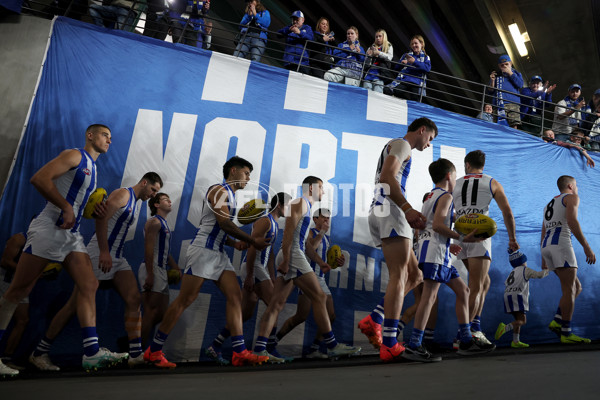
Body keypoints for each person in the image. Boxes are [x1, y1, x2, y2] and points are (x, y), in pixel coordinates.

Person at [0, 124, 128, 376]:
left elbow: (77, 205)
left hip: (71, 234)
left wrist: (93, 212)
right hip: (49, 228)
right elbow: (39, 179)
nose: (109, 141)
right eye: (105, 135)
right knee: (17, 291)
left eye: (111, 138)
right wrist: (65, 206)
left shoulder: (94, 167)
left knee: (89, 284)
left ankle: (91, 352)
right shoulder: (75, 155)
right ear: (90, 135)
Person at [143, 156, 271, 368]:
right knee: (185, 299)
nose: (249, 178)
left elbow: (218, 228)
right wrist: (251, 240)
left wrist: (234, 243)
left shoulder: (229, 195)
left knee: (235, 297)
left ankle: (239, 352)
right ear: (233, 171)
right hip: (203, 251)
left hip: (218, 252)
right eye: (246, 173)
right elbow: (223, 222)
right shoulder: (218, 191)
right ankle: (154, 351)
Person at [252, 177, 360, 361]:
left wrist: (319, 261)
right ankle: (332, 345)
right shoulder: (300, 202)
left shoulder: (306, 207)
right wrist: (286, 259)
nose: (323, 192)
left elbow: (305, 243)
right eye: (321, 187)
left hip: (294, 252)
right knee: (319, 296)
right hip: (293, 254)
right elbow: (288, 233)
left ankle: (260, 349)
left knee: (276, 303)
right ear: (311, 188)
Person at [362, 117, 437, 362]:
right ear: (422, 130)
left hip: (384, 209)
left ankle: (376, 317)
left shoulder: (397, 146)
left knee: (415, 276)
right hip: (390, 209)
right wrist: (406, 208)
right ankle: (391, 342)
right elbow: (386, 177)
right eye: (430, 138)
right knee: (400, 275)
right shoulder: (403, 144)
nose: (428, 145)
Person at [404, 159, 491, 362]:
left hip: (436, 252)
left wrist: (447, 242)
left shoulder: (430, 197)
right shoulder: (445, 196)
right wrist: (461, 237)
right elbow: (436, 226)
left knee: (464, 291)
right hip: (435, 254)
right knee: (429, 297)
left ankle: (466, 340)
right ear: (449, 176)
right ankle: (415, 344)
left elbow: (422, 228)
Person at [205, 192, 289, 365]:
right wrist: (250, 275)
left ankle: (215, 345)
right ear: (279, 205)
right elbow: (252, 248)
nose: (290, 209)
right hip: (254, 268)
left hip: (259, 269)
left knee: (245, 313)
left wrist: (272, 276)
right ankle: (265, 348)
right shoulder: (265, 221)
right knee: (275, 305)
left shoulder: (274, 224)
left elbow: (270, 253)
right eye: (288, 204)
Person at [452, 150, 519, 346]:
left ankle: (475, 328)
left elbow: (448, 211)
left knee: (484, 282)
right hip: (479, 236)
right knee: (476, 286)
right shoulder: (492, 182)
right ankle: (462, 336)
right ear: (483, 164)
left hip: (460, 235)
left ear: (467, 164)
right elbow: (507, 212)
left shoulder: (455, 183)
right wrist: (512, 238)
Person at [270, 208, 345, 359]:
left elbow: (324, 258)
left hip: (320, 278)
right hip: (307, 275)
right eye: (323, 218)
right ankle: (273, 342)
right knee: (298, 314)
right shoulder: (310, 232)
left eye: (328, 219)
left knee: (327, 315)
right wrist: (322, 232)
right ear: (315, 219)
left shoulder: (325, 238)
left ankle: (314, 348)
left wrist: (337, 262)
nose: (326, 221)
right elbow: (308, 248)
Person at [541, 175, 595, 343]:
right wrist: (586, 246)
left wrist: (544, 257)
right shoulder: (572, 197)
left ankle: (558, 320)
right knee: (569, 290)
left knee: (576, 287)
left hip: (547, 246)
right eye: (576, 185)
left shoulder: (548, 204)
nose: (577, 189)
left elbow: (543, 230)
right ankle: (566, 333)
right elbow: (572, 221)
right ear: (571, 186)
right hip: (561, 245)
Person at [138, 193, 180, 348]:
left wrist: (174, 266)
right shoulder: (154, 222)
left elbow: (164, 250)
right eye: (165, 199)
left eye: (169, 198)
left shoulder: (163, 223)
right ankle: (139, 351)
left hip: (160, 270)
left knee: (161, 313)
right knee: (150, 312)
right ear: (156, 205)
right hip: (152, 269)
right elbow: (148, 250)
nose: (170, 201)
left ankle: (136, 342)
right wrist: (150, 273)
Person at [495, 249, 548, 348]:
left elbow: (506, 283)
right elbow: (539, 275)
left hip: (507, 295)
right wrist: (547, 270)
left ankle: (515, 341)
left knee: (517, 320)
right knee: (523, 320)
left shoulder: (512, 272)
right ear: (523, 261)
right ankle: (505, 328)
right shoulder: (525, 269)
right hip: (518, 296)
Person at [0, 233, 29, 371]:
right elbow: (5, 261)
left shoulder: (45, 244)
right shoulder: (19, 239)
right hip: (5, 281)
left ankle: (6, 359)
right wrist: (31, 271)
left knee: (23, 320)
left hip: (22, 283)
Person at [384, 35, 431, 102]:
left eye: (416, 43)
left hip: (417, 83)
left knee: (415, 100)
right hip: (405, 80)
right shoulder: (406, 55)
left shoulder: (426, 57)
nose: (414, 45)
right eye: (412, 44)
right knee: (395, 91)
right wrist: (402, 63)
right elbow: (396, 68)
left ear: (421, 44)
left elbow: (427, 68)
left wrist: (414, 62)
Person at [487, 54, 524, 129]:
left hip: (512, 103)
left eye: (506, 64)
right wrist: (492, 81)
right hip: (498, 104)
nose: (504, 66)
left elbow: (520, 84)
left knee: (513, 124)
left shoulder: (516, 73)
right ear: (499, 66)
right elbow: (490, 91)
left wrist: (510, 73)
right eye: (502, 65)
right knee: (498, 125)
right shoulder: (496, 75)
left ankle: (513, 139)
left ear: (511, 63)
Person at [278, 11, 314, 75]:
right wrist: (288, 30)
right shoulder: (289, 27)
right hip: (289, 62)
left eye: (297, 19)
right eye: (294, 19)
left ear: (303, 20)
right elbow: (278, 34)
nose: (295, 21)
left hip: (302, 63)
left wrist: (300, 33)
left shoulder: (307, 28)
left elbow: (311, 39)